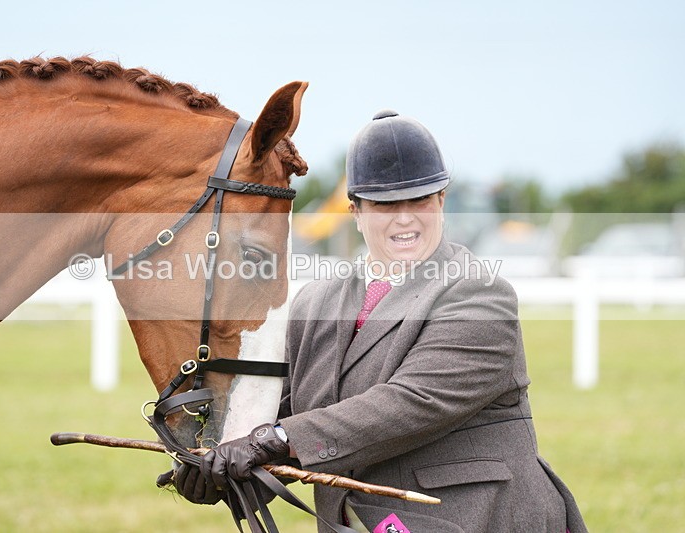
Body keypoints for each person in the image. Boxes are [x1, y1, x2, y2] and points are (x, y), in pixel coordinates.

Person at [174, 110, 587, 533]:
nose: (405, 218)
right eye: (385, 204)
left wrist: (274, 439)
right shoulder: (316, 301)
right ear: (355, 210)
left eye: (419, 200)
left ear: (441, 199)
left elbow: (412, 401)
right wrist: (223, 469)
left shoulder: (479, 294)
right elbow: (288, 418)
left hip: (479, 519)